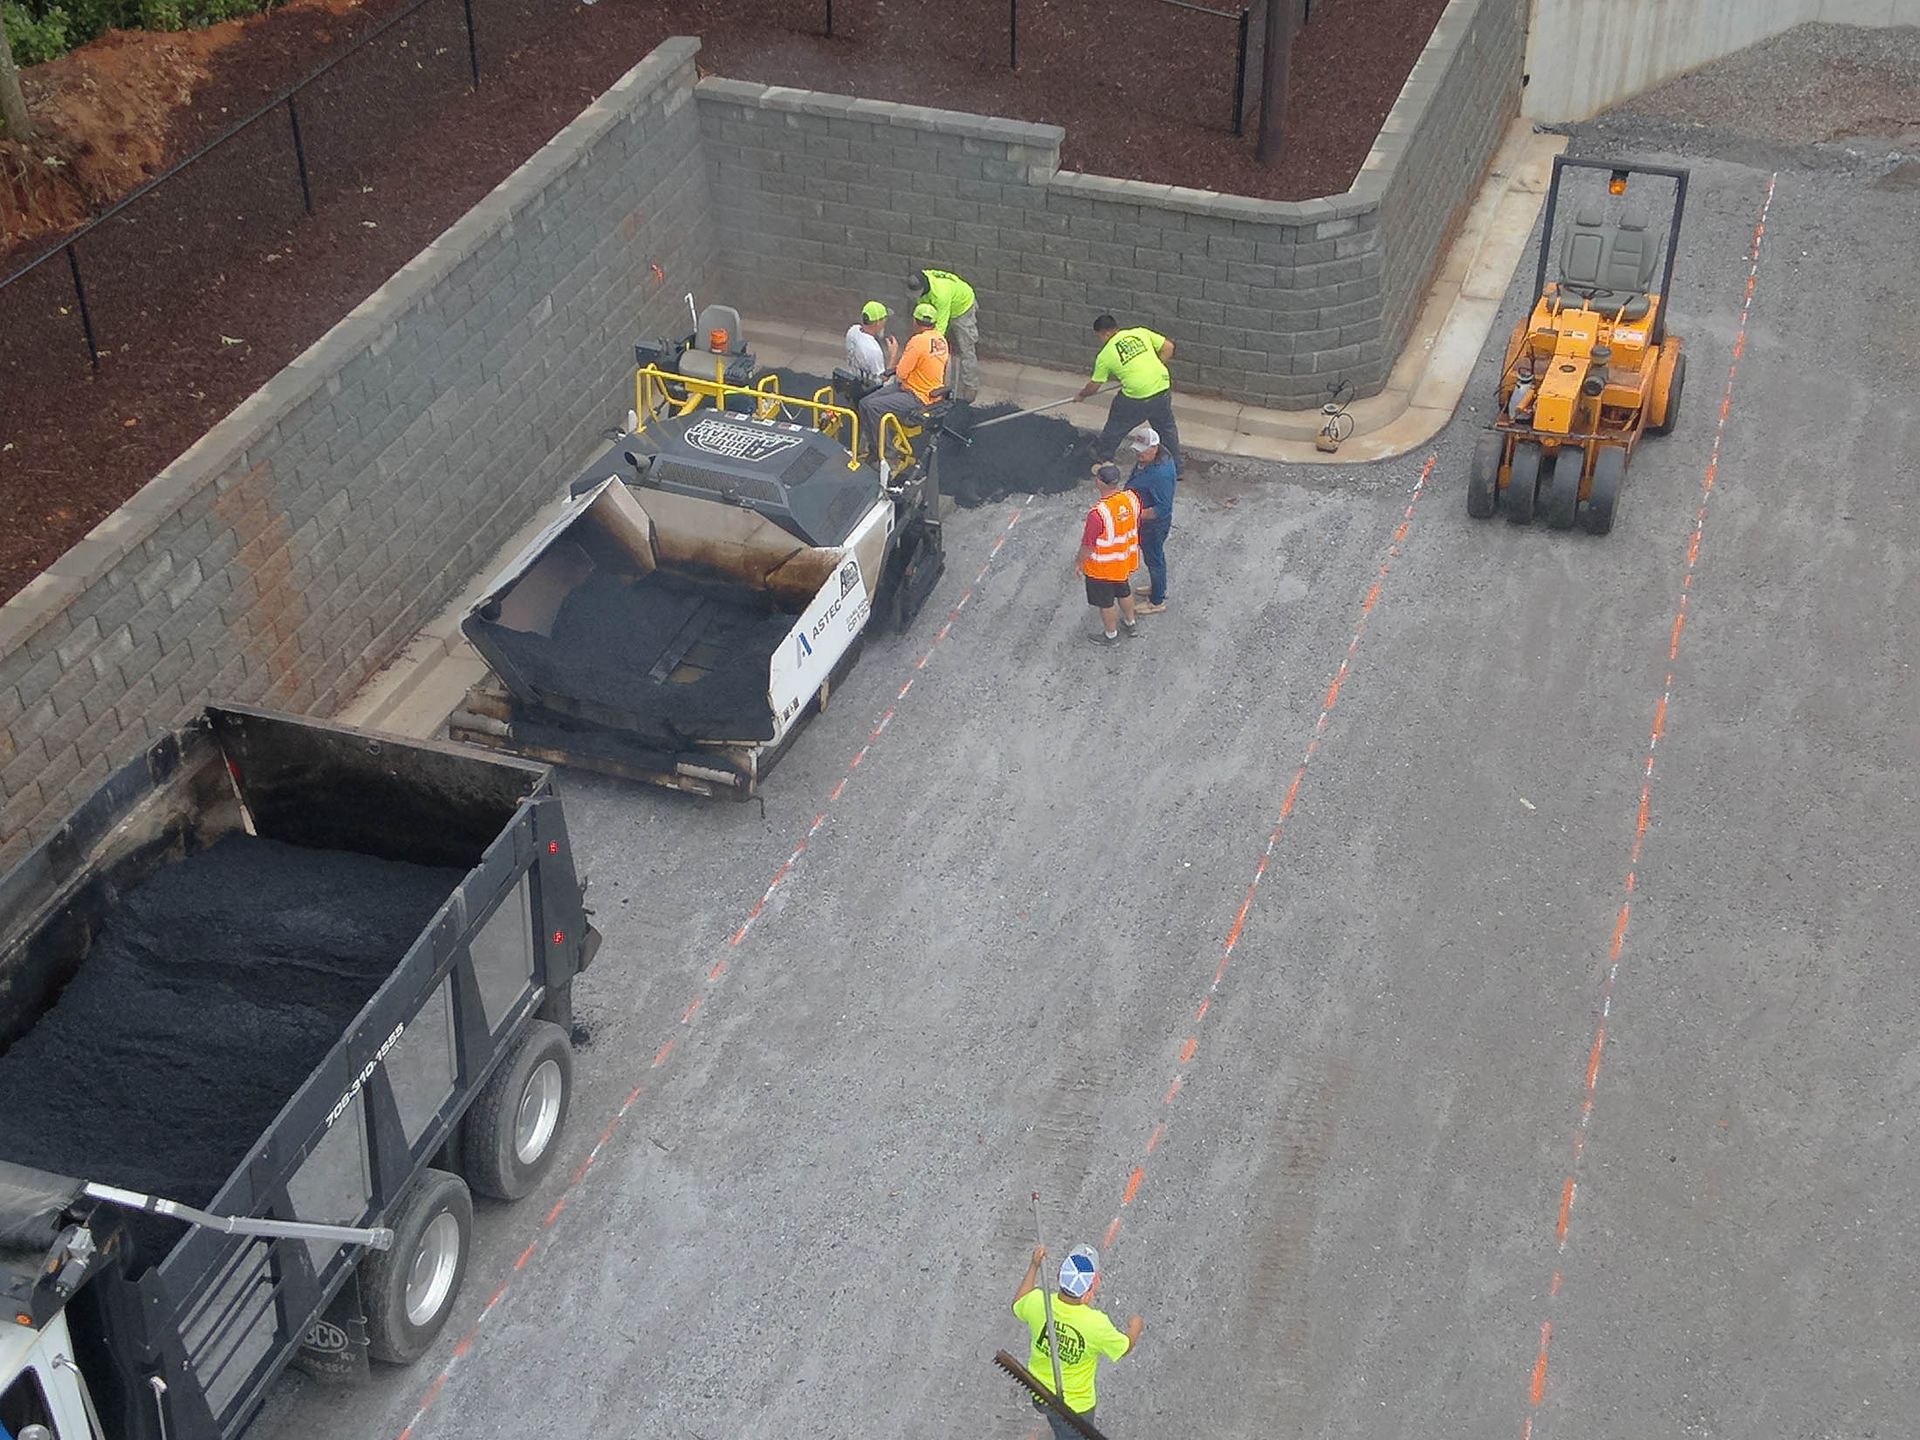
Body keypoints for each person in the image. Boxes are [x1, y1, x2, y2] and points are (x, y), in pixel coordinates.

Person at [1013, 1242, 1143, 1440]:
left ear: (1058, 1276)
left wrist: (1034, 1265)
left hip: (1037, 1388)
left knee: (1052, 1415)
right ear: (1092, 1288)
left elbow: (1018, 1302)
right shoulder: (1096, 1324)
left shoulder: (1038, 1302)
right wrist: (1135, 1327)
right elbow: (1124, 1347)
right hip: (1076, 1407)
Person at [1076, 315, 1182, 467]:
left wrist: (1082, 395)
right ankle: (1176, 467)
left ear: (1105, 333)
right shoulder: (1139, 332)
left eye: (1099, 336)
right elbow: (1168, 347)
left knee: (1116, 424)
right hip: (1162, 387)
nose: (1101, 339)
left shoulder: (1105, 355)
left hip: (1137, 397)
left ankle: (1102, 456)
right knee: (1166, 428)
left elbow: (1095, 384)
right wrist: (1154, 367)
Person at [857, 302, 948, 461]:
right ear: (934, 323)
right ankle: (874, 448)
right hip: (920, 389)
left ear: (914, 321)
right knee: (865, 403)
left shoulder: (917, 342)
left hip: (917, 396)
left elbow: (901, 373)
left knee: (871, 406)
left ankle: (886, 453)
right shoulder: (941, 340)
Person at [1079, 463, 1142, 646]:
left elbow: (1088, 546)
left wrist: (1078, 562)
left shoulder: (1098, 514)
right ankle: (1131, 624)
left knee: (1106, 603)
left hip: (1102, 568)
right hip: (1123, 560)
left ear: (1100, 483)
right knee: (1124, 591)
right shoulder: (1131, 498)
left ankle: (1111, 636)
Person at [1124, 424, 1177, 613]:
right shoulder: (1150, 460)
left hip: (1152, 526)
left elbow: (1162, 508)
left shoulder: (1160, 474)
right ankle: (1158, 588)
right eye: (1137, 451)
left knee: (1154, 559)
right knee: (1154, 558)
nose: (1138, 455)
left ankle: (1157, 601)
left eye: (1143, 452)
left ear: (1154, 448)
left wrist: (1131, 513)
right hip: (1144, 522)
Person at [909, 265, 979, 403]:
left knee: (966, 349)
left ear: (924, 289)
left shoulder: (941, 294)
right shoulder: (921, 281)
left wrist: (926, 345)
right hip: (939, 305)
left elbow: (940, 328)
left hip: (962, 308)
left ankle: (971, 385)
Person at [844, 299, 898, 383]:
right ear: (877, 323)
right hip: (869, 390)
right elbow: (883, 379)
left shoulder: (852, 330)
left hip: (852, 382)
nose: (885, 321)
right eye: (884, 318)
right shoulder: (873, 350)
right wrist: (893, 355)